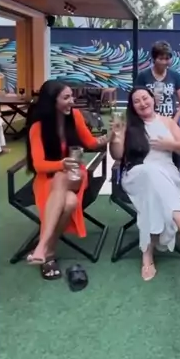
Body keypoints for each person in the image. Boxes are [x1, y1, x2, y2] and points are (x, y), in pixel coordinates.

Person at [109, 86, 180, 282]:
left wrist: (169, 145)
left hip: (167, 175)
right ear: (132, 107)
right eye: (136, 101)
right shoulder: (128, 125)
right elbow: (117, 155)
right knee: (149, 171)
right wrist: (116, 136)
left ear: (153, 99)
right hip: (136, 175)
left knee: (152, 191)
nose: (142, 103)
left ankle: (147, 255)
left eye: (145, 98)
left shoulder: (167, 122)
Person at [25, 80, 109, 279]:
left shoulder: (75, 116)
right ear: (52, 101)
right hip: (47, 178)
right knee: (69, 202)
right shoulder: (37, 127)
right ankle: (49, 252)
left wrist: (112, 135)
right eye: (66, 97)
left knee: (62, 177)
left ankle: (41, 246)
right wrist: (61, 164)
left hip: (76, 175)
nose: (72, 101)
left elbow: (90, 143)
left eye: (72, 96)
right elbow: (38, 165)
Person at [134, 40, 180, 219]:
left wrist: (174, 121)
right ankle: (153, 201)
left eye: (167, 58)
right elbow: (137, 98)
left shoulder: (175, 76)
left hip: (169, 124)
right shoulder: (144, 76)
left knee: (174, 164)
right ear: (154, 58)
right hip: (149, 124)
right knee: (152, 161)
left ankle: (177, 203)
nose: (165, 62)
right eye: (161, 58)